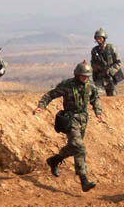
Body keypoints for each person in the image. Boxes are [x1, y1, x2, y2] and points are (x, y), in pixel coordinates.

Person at [33, 61, 105, 192]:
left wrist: (98, 113)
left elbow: (96, 99)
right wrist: (41, 106)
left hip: (83, 120)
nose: (85, 78)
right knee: (80, 148)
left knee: (73, 148)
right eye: (83, 76)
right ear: (77, 75)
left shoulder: (90, 86)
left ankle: (54, 160)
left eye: (87, 76)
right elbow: (50, 94)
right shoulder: (67, 85)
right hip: (70, 119)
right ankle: (84, 180)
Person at [91, 28, 122, 96]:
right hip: (100, 77)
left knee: (112, 96)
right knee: (96, 95)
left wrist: (110, 71)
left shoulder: (111, 48)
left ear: (104, 38)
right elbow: (93, 63)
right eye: (97, 38)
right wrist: (96, 68)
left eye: (100, 38)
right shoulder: (94, 50)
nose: (98, 40)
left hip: (110, 77)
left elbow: (118, 62)